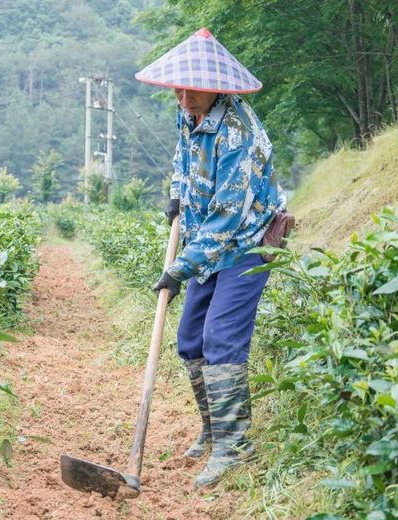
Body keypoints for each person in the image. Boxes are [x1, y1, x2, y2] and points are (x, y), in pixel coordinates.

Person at [135, 28, 285, 487]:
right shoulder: (189, 112)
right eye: (178, 89)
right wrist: (177, 195)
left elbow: (227, 217)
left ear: (217, 87)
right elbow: (183, 159)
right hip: (205, 242)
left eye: (192, 90)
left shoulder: (241, 135)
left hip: (246, 243)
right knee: (190, 340)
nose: (184, 98)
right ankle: (214, 429)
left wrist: (178, 269)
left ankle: (235, 446)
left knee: (221, 338)